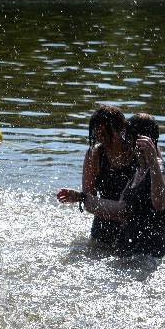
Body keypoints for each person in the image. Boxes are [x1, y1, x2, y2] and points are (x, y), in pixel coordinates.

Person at [60, 114, 165, 257]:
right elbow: (122, 208)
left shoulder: (158, 167)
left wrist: (153, 162)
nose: (101, 139)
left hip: (148, 253)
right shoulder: (139, 169)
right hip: (127, 247)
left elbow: (160, 203)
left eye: (128, 137)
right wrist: (82, 197)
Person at [56, 104, 135, 245]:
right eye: (96, 135)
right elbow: (89, 202)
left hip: (134, 228)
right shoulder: (94, 154)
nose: (101, 140)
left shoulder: (137, 153)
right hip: (103, 228)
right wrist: (80, 197)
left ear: (121, 128)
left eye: (105, 134)